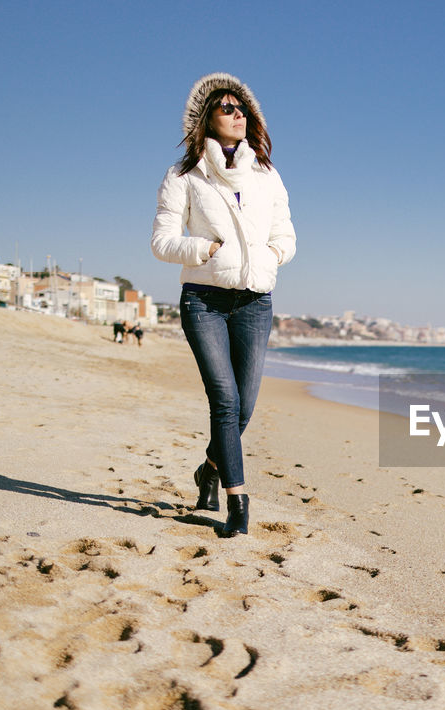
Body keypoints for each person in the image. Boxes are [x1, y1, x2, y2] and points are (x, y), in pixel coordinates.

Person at [151, 72, 296, 537]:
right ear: (207, 120)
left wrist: (271, 258)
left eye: (241, 108)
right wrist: (205, 250)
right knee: (225, 400)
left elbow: (286, 235)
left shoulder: (267, 175)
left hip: (255, 301)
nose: (238, 114)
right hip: (204, 301)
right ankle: (238, 501)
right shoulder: (183, 176)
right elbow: (162, 242)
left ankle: (208, 469)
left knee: (245, 408)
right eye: (227, 108)